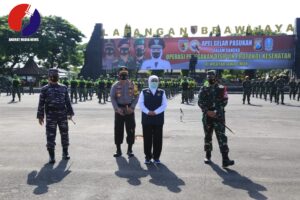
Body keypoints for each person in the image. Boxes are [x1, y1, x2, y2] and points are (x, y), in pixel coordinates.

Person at [37, 68, 74, 164]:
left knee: (65, 134)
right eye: (52, 75)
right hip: (51, 115)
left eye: (55, 75)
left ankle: (65, 152)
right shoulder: (44, 89)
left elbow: (67, 101)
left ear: (58, 77)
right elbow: (41, 103)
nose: (54, 77)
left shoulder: (64, 87)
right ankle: (51, 156)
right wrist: (40, 116)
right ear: (49, 77)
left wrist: (70, 112)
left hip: (62, 114)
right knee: (50, 135)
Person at [198, 70, 234, 168]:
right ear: (207, 78)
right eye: (209, 77)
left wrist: (216, 111)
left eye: (212, 77)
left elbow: (225, 101)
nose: (210, 79)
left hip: (219, 117)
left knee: (222, 137)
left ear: (215, 77)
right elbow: (200, 102)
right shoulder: (204, 89)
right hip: (207, 116)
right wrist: (208, 111)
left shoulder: (222, 88)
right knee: (208, 136)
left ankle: (225, 159)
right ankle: (208, 155)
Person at [110, 66, 139, 157]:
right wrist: (116, 109)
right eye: (121, 75)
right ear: (119, 75)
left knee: (131, 130)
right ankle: (118, 150)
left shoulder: (133, 85)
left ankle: (130, 149)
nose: (123, 77)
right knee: (118, 130)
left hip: (129, 110)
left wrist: (132, 107)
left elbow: (137, 96)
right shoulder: (115, 85)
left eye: (125, 75)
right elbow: (112, 97)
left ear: (127, 75)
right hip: (119, 110)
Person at [138, 75, 167, 164]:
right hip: (147, 118)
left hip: (158, 119)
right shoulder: (144, 91)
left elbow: (164, 105)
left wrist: (155, 112)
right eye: (152, 81)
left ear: (158, 82)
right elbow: (141, 104)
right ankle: (147, 157)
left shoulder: (162, 92)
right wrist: (148, 112)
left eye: (155, 81)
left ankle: (156, 157)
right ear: (149, 82)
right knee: (147, 138)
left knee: (158, 139)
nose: (154, 82)